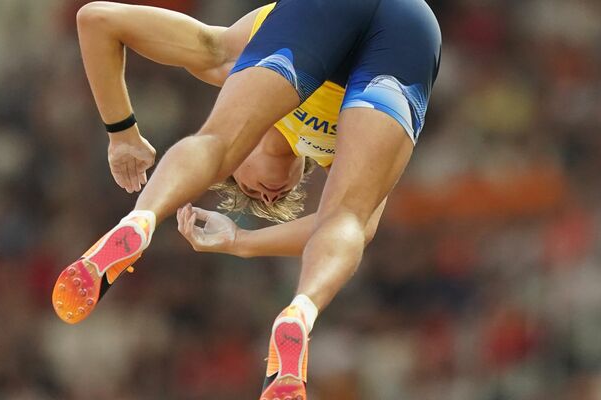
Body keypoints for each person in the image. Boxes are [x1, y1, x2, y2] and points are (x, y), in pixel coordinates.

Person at [52, 1, 441, 398]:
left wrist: (121, 133)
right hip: (408, 28)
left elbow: (96, 18)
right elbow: (348, 229)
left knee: (218, 144)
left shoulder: (226, 56)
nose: (269, 194)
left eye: (252, 190)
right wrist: (241, 243)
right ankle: (299, 314)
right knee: (348, 218)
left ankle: (140, 220)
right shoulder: (334, 154)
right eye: (278, 198)